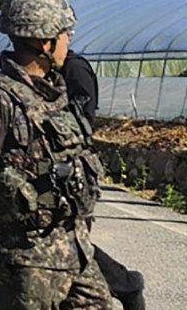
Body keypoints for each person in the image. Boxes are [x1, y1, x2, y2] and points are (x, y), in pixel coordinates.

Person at [0, 0, 111, 310]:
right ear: (44, 41)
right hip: (28, 258)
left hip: (73, 246)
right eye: (64, 34)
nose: (68, 41)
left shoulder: (54, 90)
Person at [62, 50, 146, 310]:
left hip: (70, 171)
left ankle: (126, 285)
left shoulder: (74, 68)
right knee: (61, 245)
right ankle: (126, 285)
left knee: (68, 243)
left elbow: (82, 122)